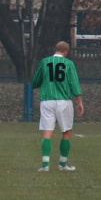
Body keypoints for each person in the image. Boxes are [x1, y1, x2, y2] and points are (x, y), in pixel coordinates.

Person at [32, 41, 84, 171]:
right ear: (66, 52)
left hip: (47, 100)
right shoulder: (69, 64)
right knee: (66, 132)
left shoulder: (44, 62)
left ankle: (45, 165)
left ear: (55, 49)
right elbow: (75, 84)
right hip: (64, 101)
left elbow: (35, 82)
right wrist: (79, 102)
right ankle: (62, 164)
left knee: (47, 132)